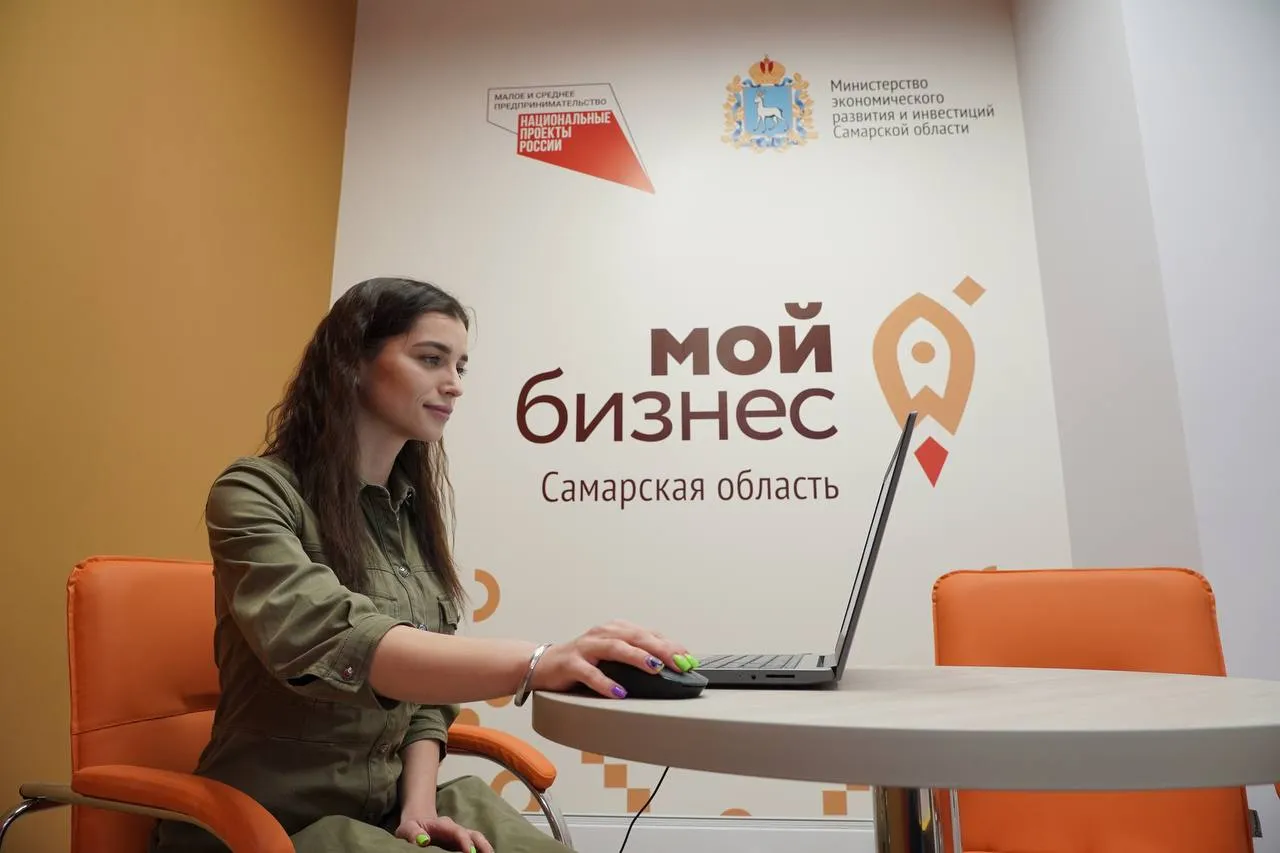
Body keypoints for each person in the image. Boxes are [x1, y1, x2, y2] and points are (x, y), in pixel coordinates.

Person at [149, 277, 697, 853]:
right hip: (267, 825)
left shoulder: (409, 516)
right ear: (351, 363)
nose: (454, 384)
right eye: (431, 359)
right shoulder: (253, 493)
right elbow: (333, 638)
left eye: (460, 366)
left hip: (387, 811)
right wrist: (537, 662)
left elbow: (423, 701)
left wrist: (419, 807)